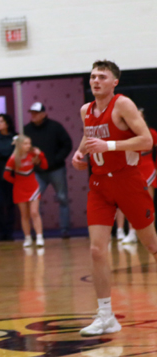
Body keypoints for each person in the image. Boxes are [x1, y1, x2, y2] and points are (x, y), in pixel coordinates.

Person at [71, 60, 157, 336]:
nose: (96, 81)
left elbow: (146, 141)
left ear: (114, 82)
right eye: (93, 76)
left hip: (127, 181)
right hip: (99, 185)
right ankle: (106, 316)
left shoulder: (123, 105)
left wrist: (108, 145)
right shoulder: (85, 110)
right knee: (97, 250)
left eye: (102, 76)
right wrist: (80, 153)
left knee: (152, 245)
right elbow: (89, 137)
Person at [24, 102, 74, 239]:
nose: (33, 115)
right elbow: (22, 149)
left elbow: (67, 144)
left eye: (36, 113)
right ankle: (38, 232)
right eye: (32, 113)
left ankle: (64, 230)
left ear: (44, 114)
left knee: (62, 198)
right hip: (37, 171)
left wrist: (56, 159)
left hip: (56, 169)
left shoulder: (55, 127)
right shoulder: (26, 130)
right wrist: (31, 160)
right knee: (34, 201)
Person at [116, 107, 157, 244]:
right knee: (132, 204)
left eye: (140, 116)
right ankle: (132, 232)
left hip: (148, 169)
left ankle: (151, 235)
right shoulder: (126, 135)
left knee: (148, 203)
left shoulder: (151, 133)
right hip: (132, 170)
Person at [4, 135, 48, 248]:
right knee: (24, 215)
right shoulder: (13, 158)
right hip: (20, 189)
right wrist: (16, 182)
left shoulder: (32, 155)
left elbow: (45, 166)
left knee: (34, 212)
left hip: (33, 187)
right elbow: (6, 175)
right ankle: (27, 238)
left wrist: (40, 154)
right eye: (26, 143)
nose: (29, 145)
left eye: (29, 143)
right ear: (19, 145)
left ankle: (39, 237)